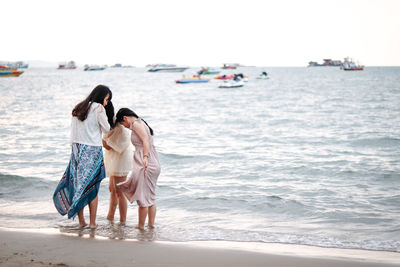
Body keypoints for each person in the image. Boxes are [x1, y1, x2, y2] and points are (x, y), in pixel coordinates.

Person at [53, 84, 113, 229]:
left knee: (79, 184)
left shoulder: (79, 106)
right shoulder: (98, 108)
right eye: (106, 99)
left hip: (76, 149)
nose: (106, 103)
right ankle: (92, 223)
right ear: (100, 97)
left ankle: (81, 222)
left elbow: (74, 131)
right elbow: (106, 129)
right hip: (92, 150)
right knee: (92, 186)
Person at [115, 108, 161, 230]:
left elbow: (145, 140)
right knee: (150, 197)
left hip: (145, 162)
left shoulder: (135, 124)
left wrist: (145, 157)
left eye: (123, 124)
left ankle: (141, 226)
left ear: (125, 118)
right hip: (154, 161)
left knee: (142, 197)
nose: (125, 127)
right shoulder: (142, 122)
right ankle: (151, 226)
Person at [102, 105, 133, 224]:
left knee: (119, 190)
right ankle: (110, 217)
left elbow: (107, 145)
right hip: (113, 158)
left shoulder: (119, 128)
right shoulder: (109, 125)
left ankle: (122, 221)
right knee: (112, 188)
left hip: (121, 158)